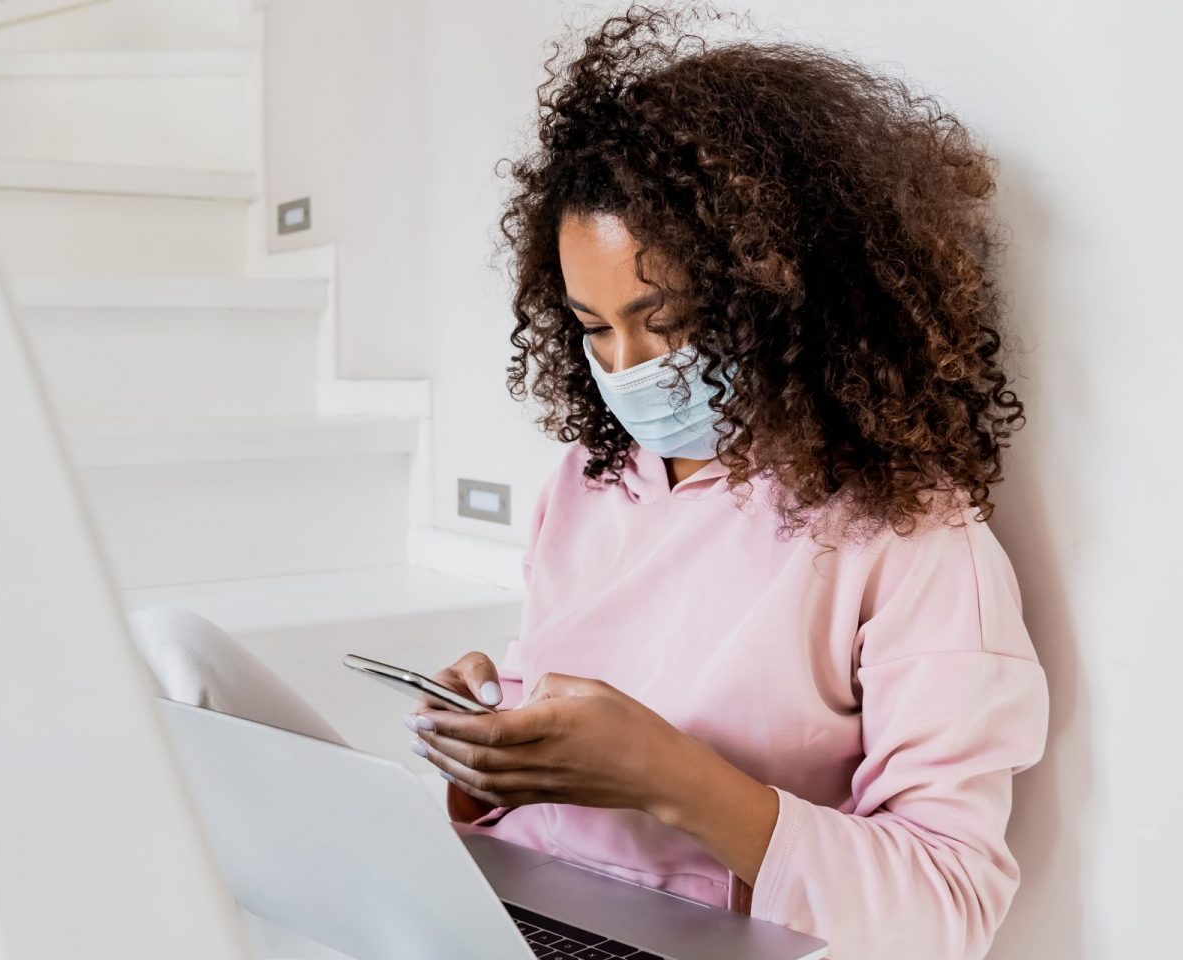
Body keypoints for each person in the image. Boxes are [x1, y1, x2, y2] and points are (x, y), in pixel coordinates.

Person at [398, 7, 1048, 959]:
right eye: (592, 326)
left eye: (665, 322)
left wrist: (673, 779)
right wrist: (494, 753)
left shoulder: (911, 541)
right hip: (525, 917)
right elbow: (545, 786)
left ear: (784, 296)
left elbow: (945, 908)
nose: (626, 366)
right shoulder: (587, 483)